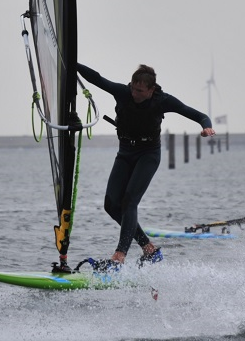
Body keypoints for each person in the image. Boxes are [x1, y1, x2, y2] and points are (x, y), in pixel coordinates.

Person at [77, 63, 214, 266]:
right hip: (125, 152)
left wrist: (207, 127)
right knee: (111, 205)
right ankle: (148, 249)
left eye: (140, 91)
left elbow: (198, 115)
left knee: (129, 201)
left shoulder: (163, 101)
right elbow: (97, 78)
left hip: (148, 154)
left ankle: (120, 255)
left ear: (151, 90)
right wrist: (72, 63)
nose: (134, 93)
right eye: (133, 88)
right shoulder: (123, 93)